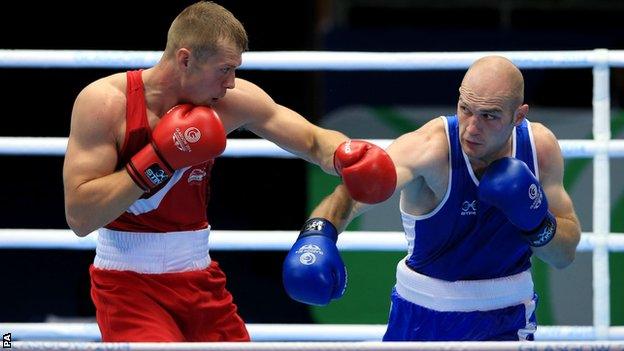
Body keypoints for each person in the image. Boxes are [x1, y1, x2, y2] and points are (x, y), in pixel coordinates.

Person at [62, 1, 396, 342]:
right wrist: (158, 161)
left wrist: (346, 155)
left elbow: (312, 140)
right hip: (128, 284)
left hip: (198, 277)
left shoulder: (229, 102)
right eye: (224, 69)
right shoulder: (105, 103)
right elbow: (80, 217)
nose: (232, 83)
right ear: (184, 59)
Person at [283, 55, 582, 341]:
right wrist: (317, 234)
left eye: (489, 116)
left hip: (508, 316)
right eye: (465, 109)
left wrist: (536, 223)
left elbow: (564, 255)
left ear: (518, 116)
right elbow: (355, 192)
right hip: (422, 315)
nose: (472, 128)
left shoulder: (539, 148)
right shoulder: (430, 148)